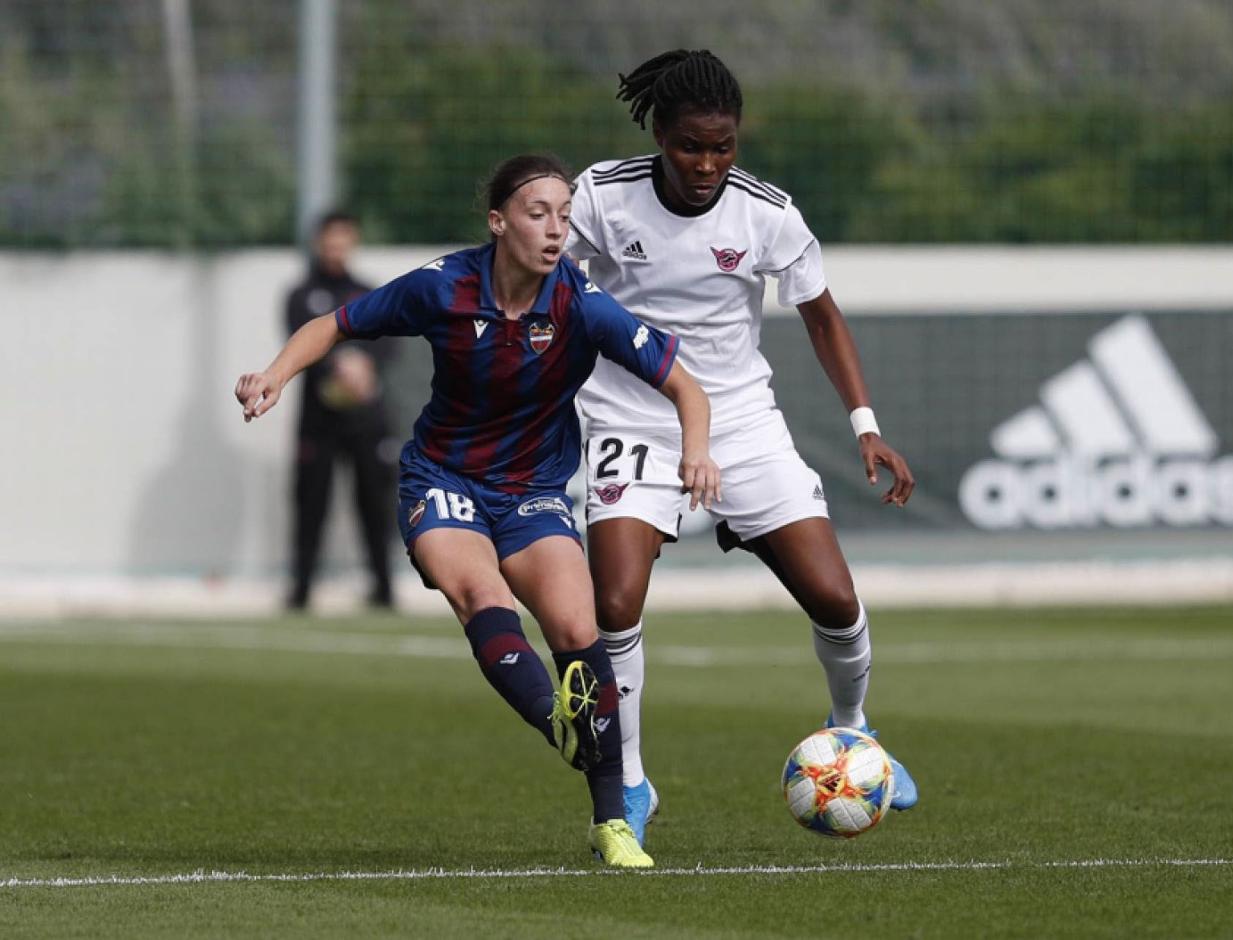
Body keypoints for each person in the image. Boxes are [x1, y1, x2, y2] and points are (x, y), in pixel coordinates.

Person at [236, 155, 721, 868]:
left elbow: (688, 388)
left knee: (578, 628)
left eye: (564, 215)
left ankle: (611, 821)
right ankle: (557, 724)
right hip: (442, 478)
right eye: (536, 213)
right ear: (498, 222)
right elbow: (336, 324)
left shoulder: (581, 306)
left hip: (533, 491)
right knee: (480, 593)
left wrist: (697, 452)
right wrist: (274, 375)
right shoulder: (443, 287)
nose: (555, 229)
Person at [564, 50, 918, 846]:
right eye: (692, 145)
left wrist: (865, 425)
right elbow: (546, 276)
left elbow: (823, 317)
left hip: (742, 424)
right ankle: (629, 784)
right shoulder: (602, 196)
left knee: (836, 600)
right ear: (660, 133)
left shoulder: (766, 213)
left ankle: (855, 735)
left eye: (723, 147)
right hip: (633, 421)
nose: (707, 164)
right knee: (614, 605)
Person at [284, 210, 396, 611]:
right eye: (329, 240)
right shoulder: (300, 295)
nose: (336, 247)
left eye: (343, 239)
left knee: (374, 504)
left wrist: (364, 365)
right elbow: (301, 343)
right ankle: (300, 591)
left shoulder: (368, 292)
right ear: (319, 243)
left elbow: (387, 342)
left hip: (366, 421)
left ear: (352, 242)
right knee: (310, 505)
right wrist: (338, 364)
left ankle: (384, 589)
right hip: (318, 422)